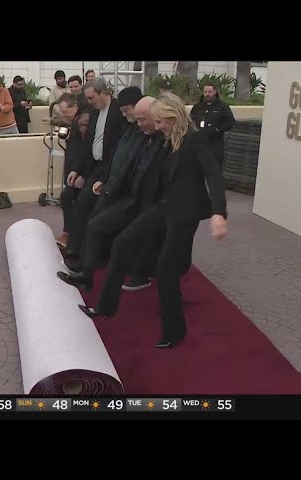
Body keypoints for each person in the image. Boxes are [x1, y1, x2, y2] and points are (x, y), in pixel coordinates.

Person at [80, 93, 228, 349]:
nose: (157, 126)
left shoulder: (195, 139)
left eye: (160, 122)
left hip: (185, 214)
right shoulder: (166, 139)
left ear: (173, 117)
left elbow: (213, 175)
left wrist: (219, 213)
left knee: (166, 270)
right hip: (164, 206)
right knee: (123, 243)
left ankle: (174, 331)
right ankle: (105, 307)